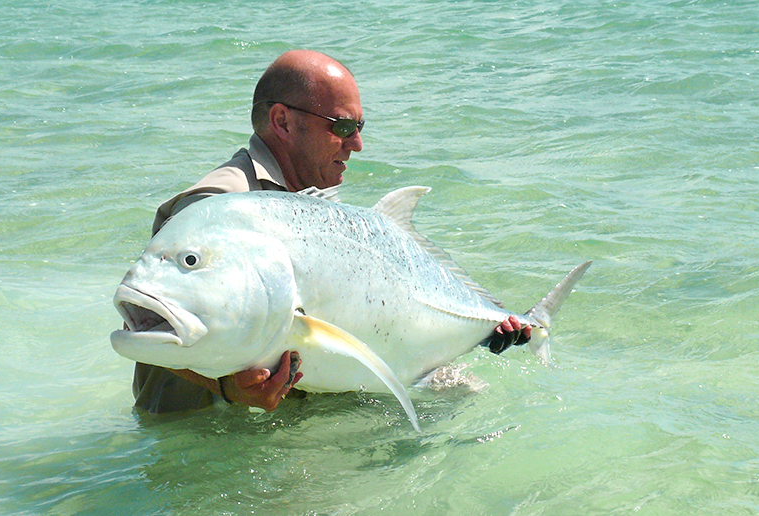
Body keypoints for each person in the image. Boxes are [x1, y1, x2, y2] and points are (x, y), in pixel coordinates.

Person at [132, 50, 531, 415]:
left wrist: (480, 330)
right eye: (342, 126)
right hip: (195, 440)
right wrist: (226, 387)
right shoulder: (215, 208)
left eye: (359, 126)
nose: (357, 144)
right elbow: (149, 325)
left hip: (275, 429)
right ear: (283, 122)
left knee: (470, 401)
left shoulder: (312, 209)